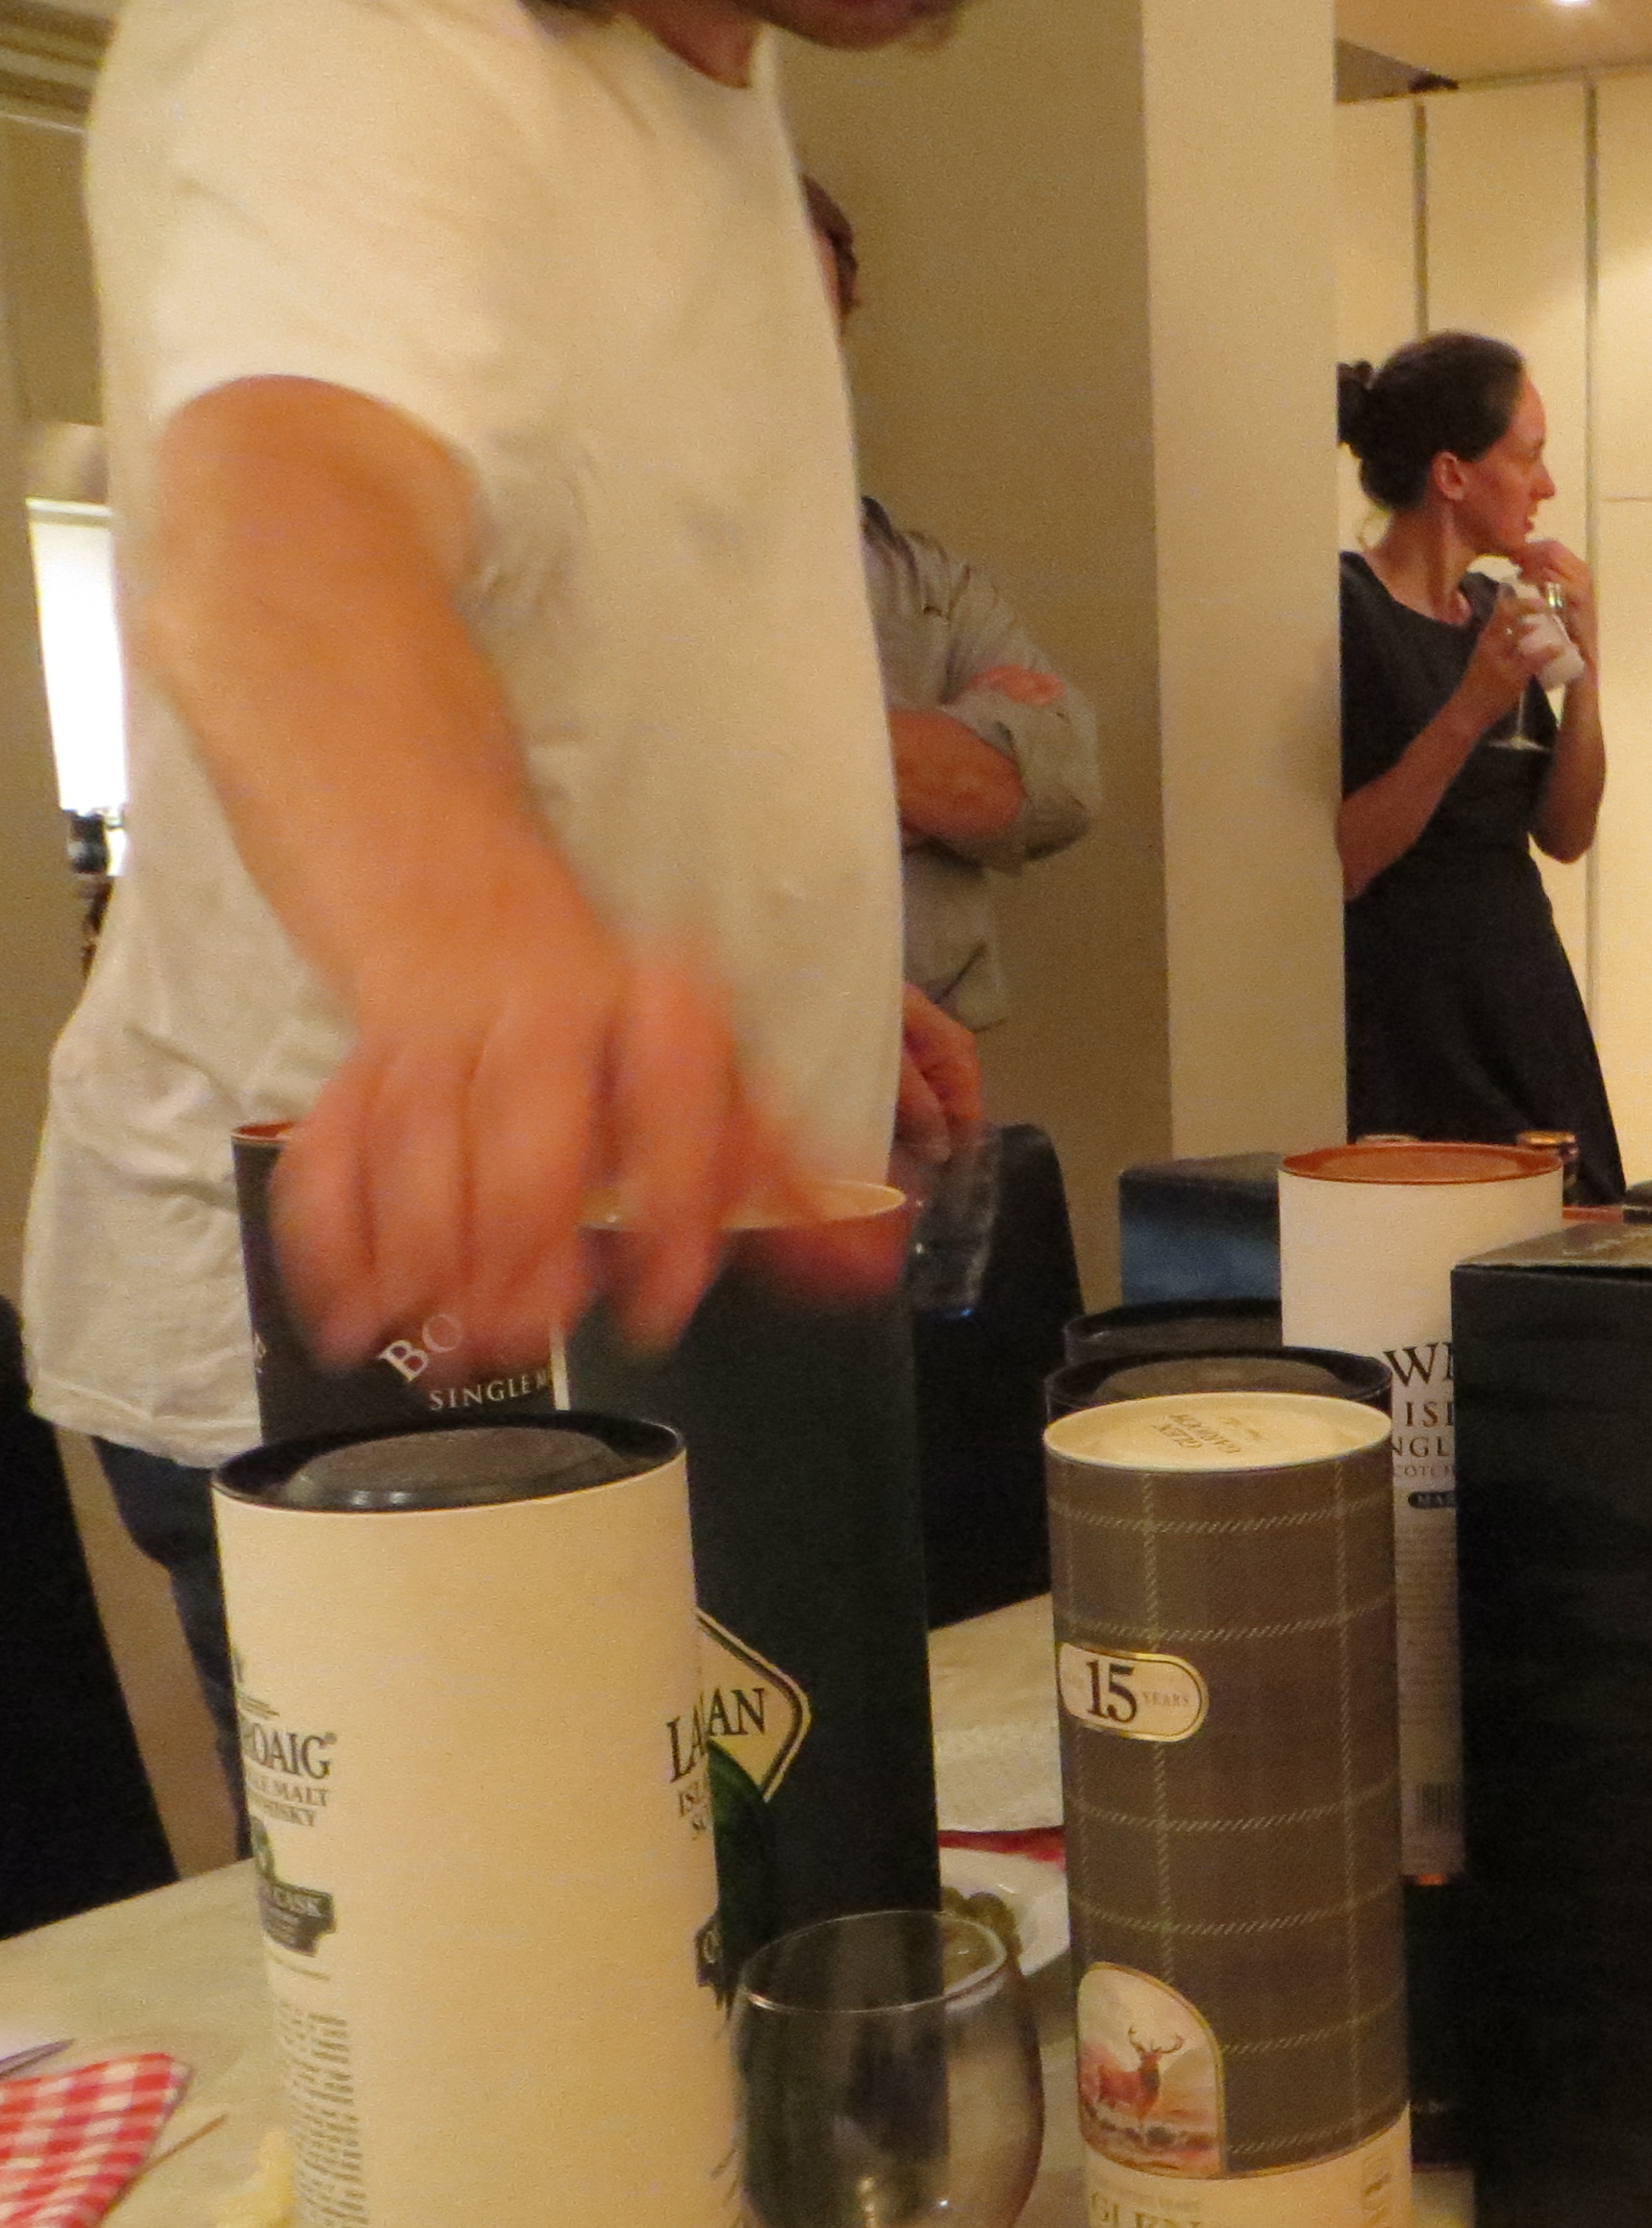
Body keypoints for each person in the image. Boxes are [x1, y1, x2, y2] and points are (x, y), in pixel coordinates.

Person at [22, 0, 979, 1798]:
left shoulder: (700, 75)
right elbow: (285, 550)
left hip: (649, 1320)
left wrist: (782, 962)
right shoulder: (356, 32)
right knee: (541, 1967)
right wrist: (497, 969)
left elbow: (581, 619)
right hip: (402, 1343)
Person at [806, 176, 1100, 1035]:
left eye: (811, 320)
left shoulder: (926, 582)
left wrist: (779, 765)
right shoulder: (599, 566)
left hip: (927, 1065)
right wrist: (933, 757)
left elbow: (1063, 782)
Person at [1336, 332, 1620, 1198]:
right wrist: (1469, 710)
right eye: (1528, 457)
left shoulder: (1500, 609)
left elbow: (1565, 833)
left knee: (1577, 1223)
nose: (1546, 486)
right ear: (1453, 475)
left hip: (1522, 990)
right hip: (1411, 1005)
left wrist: (1586, 671)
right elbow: (1345, 858)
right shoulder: (1347, 609)